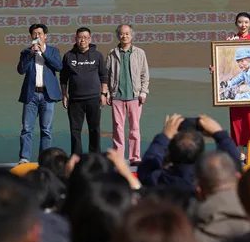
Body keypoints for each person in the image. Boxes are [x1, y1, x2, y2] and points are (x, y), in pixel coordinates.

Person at [210, 12, 250, 162]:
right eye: (240, 22)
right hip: (238, 100)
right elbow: (237, 78)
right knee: (236, 122)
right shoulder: (229, 41)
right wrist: (218, 74)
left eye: (246, 22)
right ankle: (240, 152)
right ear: (236, 24)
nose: (243, 25)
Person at [17, 23, 63, 164]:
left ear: (45, 36)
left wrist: (44, 52)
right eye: (34, 34)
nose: (37, 36)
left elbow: (59, 66)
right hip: (31, 95)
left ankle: (45, 160)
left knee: (46, 130)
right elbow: (21, 70)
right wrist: (31, 53)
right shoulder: (26, 52)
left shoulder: (53, 51)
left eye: (40, 33)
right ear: (31, 36)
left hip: (47, 96)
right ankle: (24, 158)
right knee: (27, 129)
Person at [105, 24, 150, 165]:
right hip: (117, 96)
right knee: (118, 128)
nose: (124, 36)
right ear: (118, 35)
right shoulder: (112, 53)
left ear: (132, 35)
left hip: (135, 96)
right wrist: (107, 93)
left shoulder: (139, 53)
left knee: (134, 128)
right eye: (122, 34)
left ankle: (135, 157)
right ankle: (118, 158)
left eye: (127, 33)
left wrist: (143, 92)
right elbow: (106, 75)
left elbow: (145, 74)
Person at [60, 27, 108, 155]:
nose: (83, 40)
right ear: (75, 39)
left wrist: (103, 94)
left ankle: (95, 156)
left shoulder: (97, 55)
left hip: (94, 98)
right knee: (75, 131)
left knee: (94, 129)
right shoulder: (68, 56)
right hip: (75, 100)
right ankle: (77, 157)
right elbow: (63, 78)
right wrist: (64, 95)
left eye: (85, 38)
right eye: (80, 37)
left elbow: (104, 76)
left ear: (90, 39)